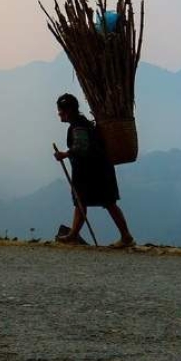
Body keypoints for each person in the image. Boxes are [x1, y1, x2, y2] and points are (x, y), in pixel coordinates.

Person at [53, 93, 135, 249]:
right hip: (97, 170)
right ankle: (74, 234)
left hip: (94, 172)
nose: (59, 115)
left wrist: (65, 154)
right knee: (82, 201)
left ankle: (126, 236)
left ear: (68, 111)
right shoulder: (82, 124)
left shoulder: (78, 126)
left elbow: (81, 147)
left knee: (106, 202)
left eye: (60, 112)